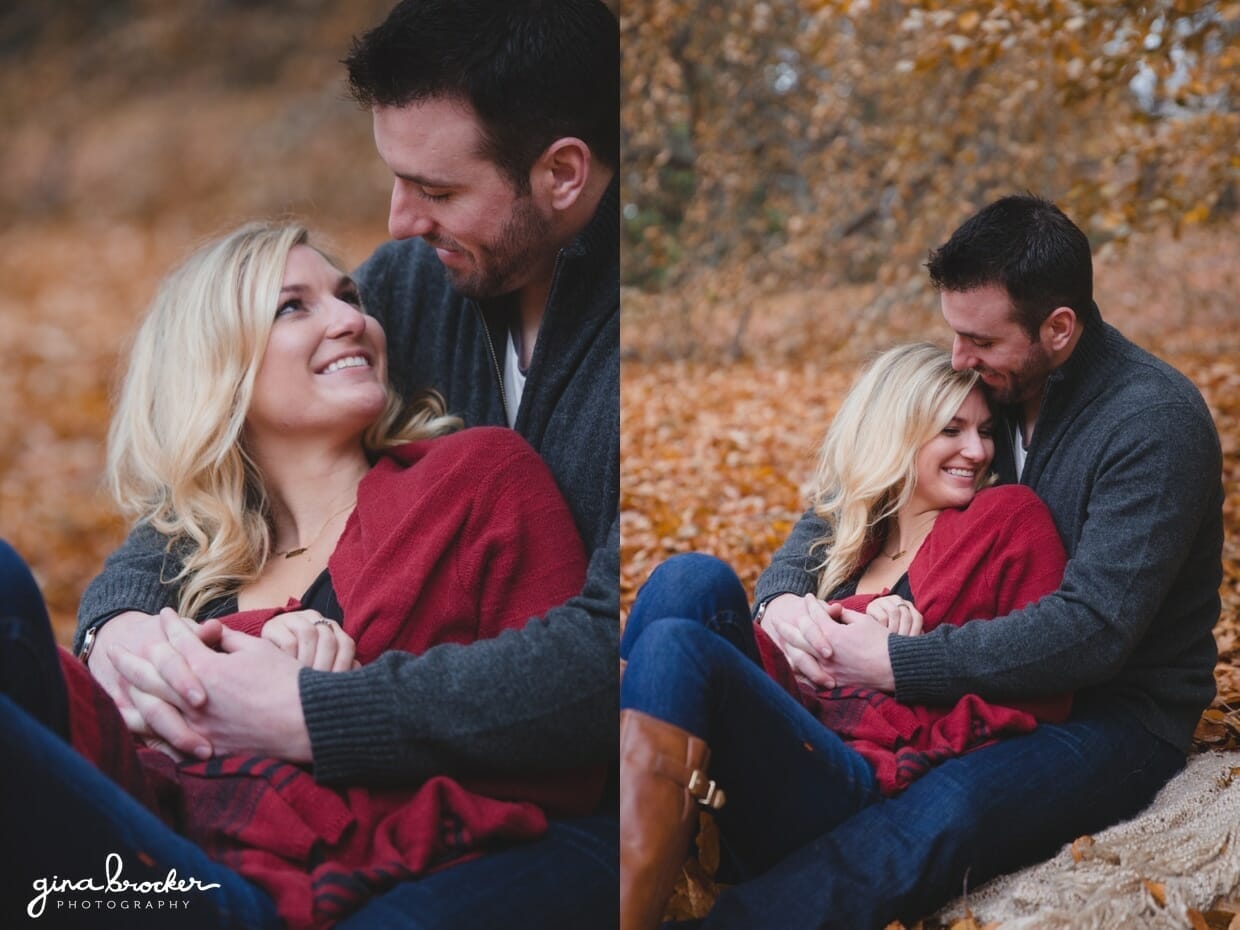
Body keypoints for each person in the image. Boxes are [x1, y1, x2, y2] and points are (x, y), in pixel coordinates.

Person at [73, 1, 620, 926]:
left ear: (561, 173)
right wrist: (117, 626)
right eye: (395, 178)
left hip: (540, 813)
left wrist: (317, 711)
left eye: (435, 188)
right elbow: (222, 477)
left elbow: (612, 653)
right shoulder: (418, 279)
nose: (400, 221)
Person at [2, 222, 602, 930]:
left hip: (269, 884)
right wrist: (174, 646)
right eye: (293, 306)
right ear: (216, 365)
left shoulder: (475, 479)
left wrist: (312, 699)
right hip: (132, 846)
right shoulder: (193, 563)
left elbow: (565, 734)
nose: (351, 319)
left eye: (349, 298)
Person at [691, 194, 1223, 930]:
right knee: (696, 600)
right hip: (973, 677)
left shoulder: (1151, 423)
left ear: (1058, 328)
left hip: (1116, 715)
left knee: (952, 804)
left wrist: (897, 663)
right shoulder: (998, 387)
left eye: (979, 339)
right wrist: (780, 596)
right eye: (953, 332)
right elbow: (860, 488)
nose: (957, 358)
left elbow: (1096, 629)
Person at [620, 344, 1072, 930]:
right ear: (896, 432)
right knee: (688, 578)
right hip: (786, 736)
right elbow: (791, 633)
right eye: (951, 430)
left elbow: (1042, 672)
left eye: (985, 432)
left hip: (852, 778)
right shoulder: (854, 531)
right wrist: (791, 616)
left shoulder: (1006, 518)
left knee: (676, 647)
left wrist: (902, 653)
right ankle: (624, 845)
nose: (977, 450)